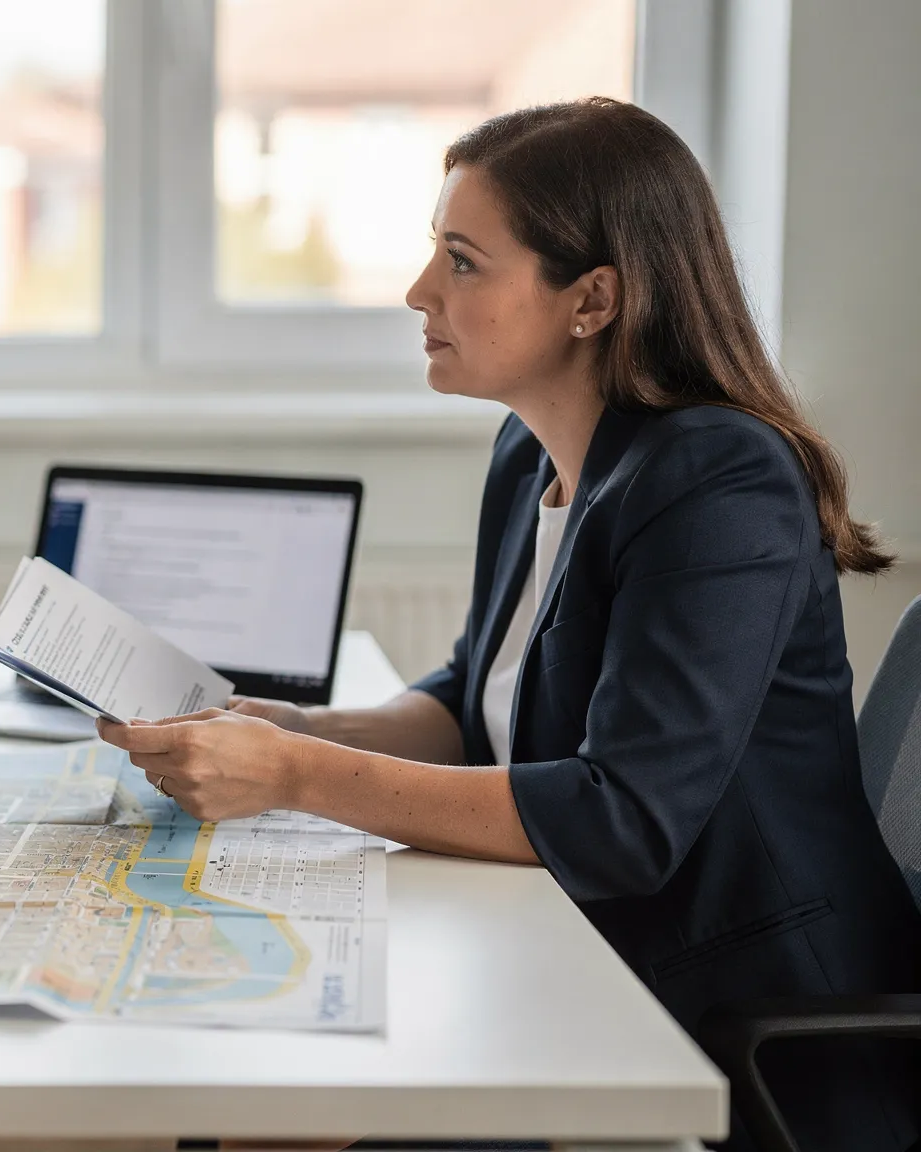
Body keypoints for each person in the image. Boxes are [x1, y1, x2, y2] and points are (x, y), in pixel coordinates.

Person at [100, 98, 920, 1152]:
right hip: (581, 949)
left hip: (731, 1010)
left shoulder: (720, 482)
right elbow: (467, 699)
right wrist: (280, 729)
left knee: (328, 1096)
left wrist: (293, 779)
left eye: (462, 261)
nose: (418, 292)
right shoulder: (529, 453)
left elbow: (619, 819)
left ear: (591, 299)